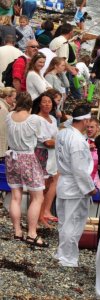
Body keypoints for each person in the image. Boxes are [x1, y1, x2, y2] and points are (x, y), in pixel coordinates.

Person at [55, 104, 97, 267]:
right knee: (73, 222)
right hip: (74, 185)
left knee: (64, 221)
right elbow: (79, 169)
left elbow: (66, 123)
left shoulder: (63, 133)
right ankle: (68, 258)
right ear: (85, 121)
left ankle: (62, 253)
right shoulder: (78, 141)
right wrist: (89, 187)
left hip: (64, 181)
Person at [5, 92, 48, 247]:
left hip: (12, 157)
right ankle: (31, 233)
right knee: (37, 197)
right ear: (30, 106)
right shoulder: (34, 119)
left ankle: (17, 231)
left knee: (16, 196)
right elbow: (43, 138)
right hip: (28, 158)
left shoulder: (9, 116)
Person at [31, 92, 58, 227]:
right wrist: (60, 142)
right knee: (38, 190)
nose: (47, 104)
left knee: (47, 187)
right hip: (41, 154)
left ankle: (41, 216)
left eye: (49, 102)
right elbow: (46, 142)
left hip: (52, 156)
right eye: (44, 102)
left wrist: (56, 141)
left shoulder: (52, 118)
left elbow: (54, 139)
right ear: (39, 104)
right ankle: (34, 219)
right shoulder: (36, 119)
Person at [0, 87, 16, 158]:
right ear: (7, 97)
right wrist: (2, 152)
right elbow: (2, 132)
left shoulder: (3, 107)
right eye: (13, 98)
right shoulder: (3, 109)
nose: (14, 100)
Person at [86, 117, 100, 189]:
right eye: (87, 127)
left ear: (97, 128)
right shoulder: (82, 141)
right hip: (84, 181)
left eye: (92, 127)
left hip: (97, 183)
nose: (89, 129)